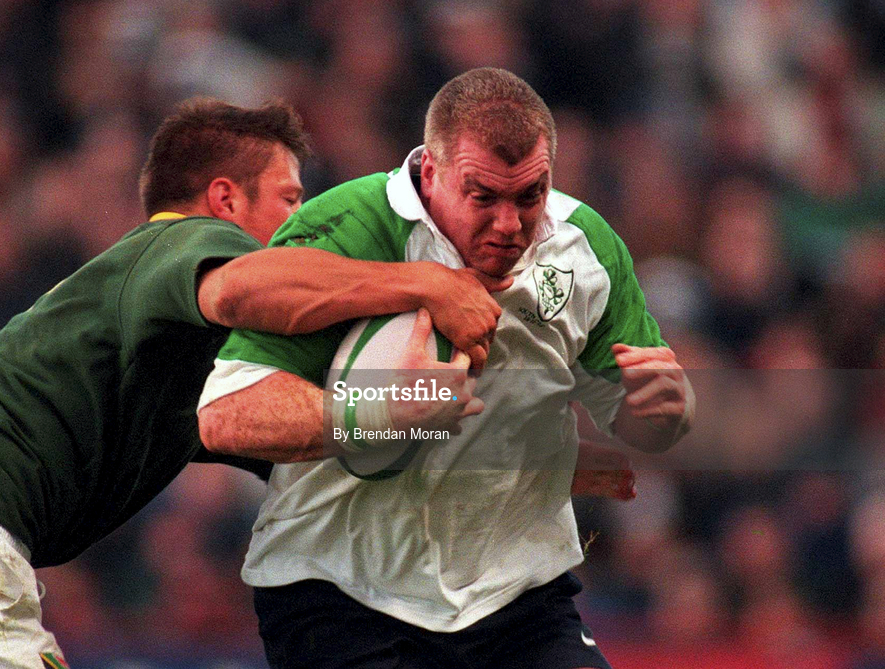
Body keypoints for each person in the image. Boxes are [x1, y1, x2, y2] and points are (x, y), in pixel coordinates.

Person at [0, 96, 514, 669]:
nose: (304, 222)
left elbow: (269, 428)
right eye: (290, 199)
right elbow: (241, 290)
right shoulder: (175, 243)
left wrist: (420, 414)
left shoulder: (177, 349)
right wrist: (424, 283)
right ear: (225, 199)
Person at [197, 68, 694, 669]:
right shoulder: (344, 229)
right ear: (429, 173)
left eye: (530, 195)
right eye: (482, 196)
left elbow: (639, 419)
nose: (509, 224)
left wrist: (661, 413)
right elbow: (227, 416)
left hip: (519, 596)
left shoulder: (585, 248)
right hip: (339, 590)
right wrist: (380, 416)